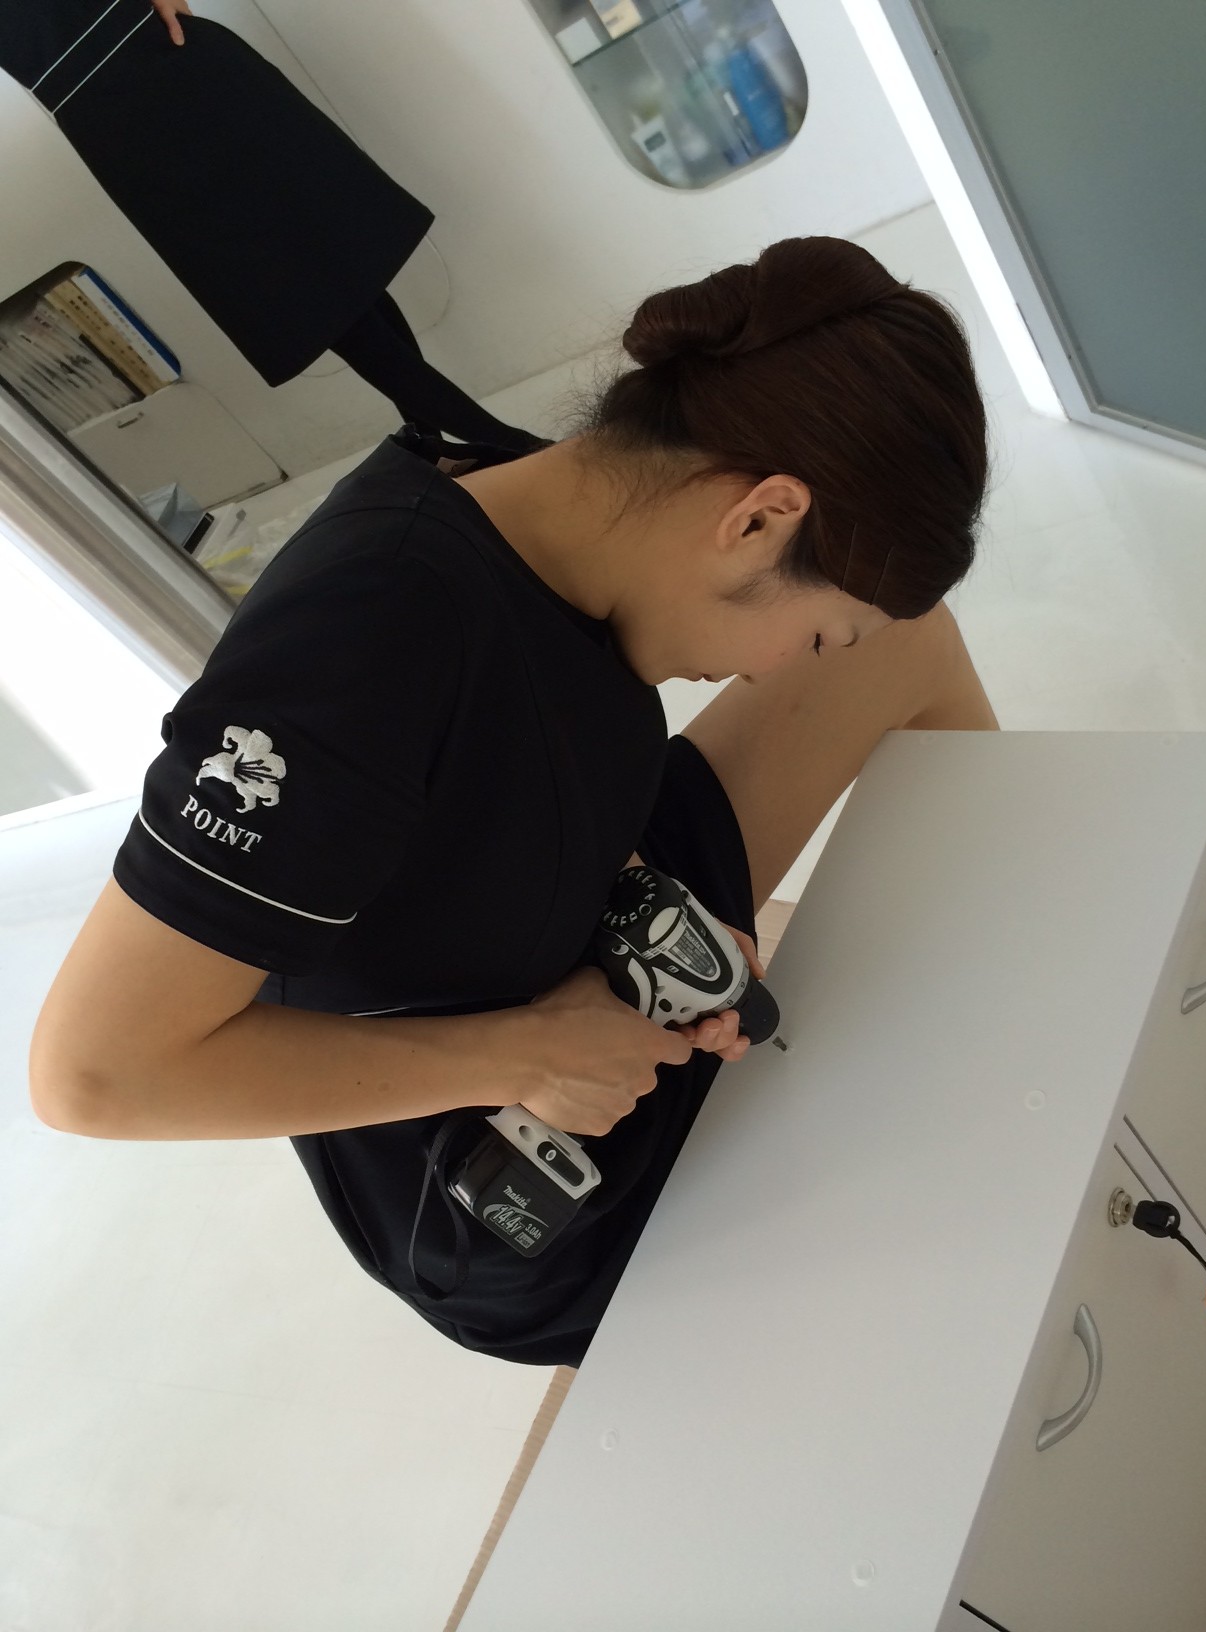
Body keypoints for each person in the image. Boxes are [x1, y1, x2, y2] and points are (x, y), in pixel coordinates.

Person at [30, 236, 999, 1369]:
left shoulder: (537, 489)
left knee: (904, 640)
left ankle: (1032, 978)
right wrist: (528, 1055)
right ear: (757, 518)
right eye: (816, 630)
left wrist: (649, 904)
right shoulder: (360, 649)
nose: (783, 667)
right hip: (505, 1159)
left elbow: (513, 751)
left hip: (583, 914)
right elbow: (91, 1076)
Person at [0, 0, 542, 452]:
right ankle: (492, 440)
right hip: (107, 113)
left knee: (334, 249)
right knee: (289, 281)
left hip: (174, 51)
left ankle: (439, 438)